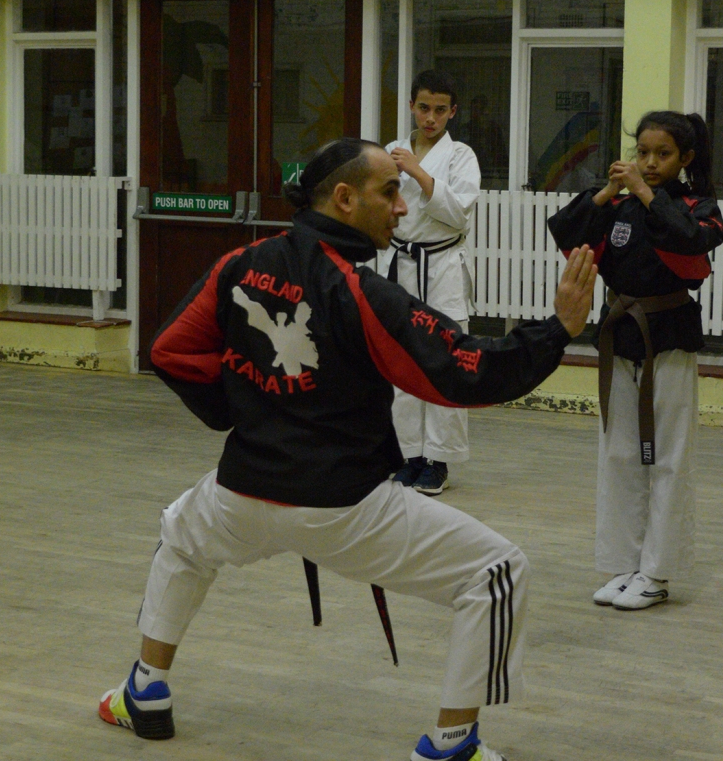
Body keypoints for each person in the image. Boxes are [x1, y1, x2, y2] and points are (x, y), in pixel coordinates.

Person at [97, 137, 598, 761]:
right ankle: (451, 745)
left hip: (241, 492)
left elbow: (170, 348)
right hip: (344, 511)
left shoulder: (239, 264)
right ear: (344, 197)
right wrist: (559, 331)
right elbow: (466, 371)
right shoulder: (358, 292)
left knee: (181, 536)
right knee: (497, 573)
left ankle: (144, 689)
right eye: (390, 191)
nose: (401, 207)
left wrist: (236, 413)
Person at [548, 111, 723, 611]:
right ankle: (624, 564)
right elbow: (565, 231)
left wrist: (647, 195)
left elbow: (689, 243)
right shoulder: (619, 207)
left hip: (668, 341)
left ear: (685, 159)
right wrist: (606, 193)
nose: (649, 163)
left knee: (667, 457)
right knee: (620, 453)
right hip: (619, 337)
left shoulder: (698, 206)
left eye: (662, 154)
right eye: (642, 152)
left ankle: (657, 572)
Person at [377, 70, 481, 495]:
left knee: (444, 358)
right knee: (402, 360)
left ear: (452, 112)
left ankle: (438, 460)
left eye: (440, 110)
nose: (431, 118)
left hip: (441, 269)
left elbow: (457, 214)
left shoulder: (461, 156)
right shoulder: (389, 152)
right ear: (411, 107)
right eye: (424, 108)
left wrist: (418, 172)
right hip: (401, 264)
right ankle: (410, 455)